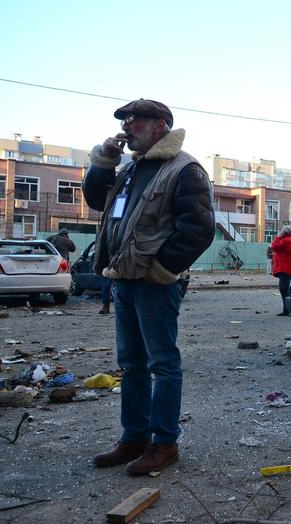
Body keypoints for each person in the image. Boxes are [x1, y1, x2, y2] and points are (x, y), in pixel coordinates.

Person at [82, 98, 215, 475]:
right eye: (124, 120)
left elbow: (199, 229)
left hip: (155, 283)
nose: (127, 126)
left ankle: (164, 443)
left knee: (163, 364)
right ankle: (134, 438)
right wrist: (104, 161)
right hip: (122, 278)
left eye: (134, 119)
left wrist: (162, 268)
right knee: (131, 364)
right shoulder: (129, 168)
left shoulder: (185, 168)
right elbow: (96, 201)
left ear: (160, 126)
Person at [271, 225, 291, 316]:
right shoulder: (287, 240)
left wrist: (278, 237)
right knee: (284, 289)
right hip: (286, 268)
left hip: (286, 269)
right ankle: (286, 309)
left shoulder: (286, 240)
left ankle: (287, 309)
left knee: (283, 289)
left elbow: (274, 246)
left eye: (282, 231)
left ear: (284, 232)